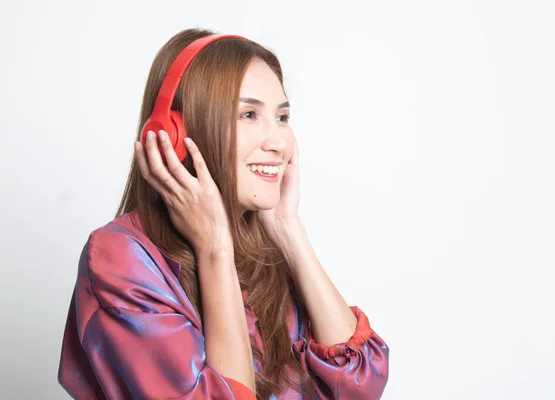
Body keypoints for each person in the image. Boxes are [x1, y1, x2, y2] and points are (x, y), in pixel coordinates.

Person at [58, 28, 389, 400]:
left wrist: (289, 230)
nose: (278, 142)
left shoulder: (264, 244)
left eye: (282, 117)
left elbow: (361, 385)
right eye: (249, 114)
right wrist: (214, 248)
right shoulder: (122, 256)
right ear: (175, 133)